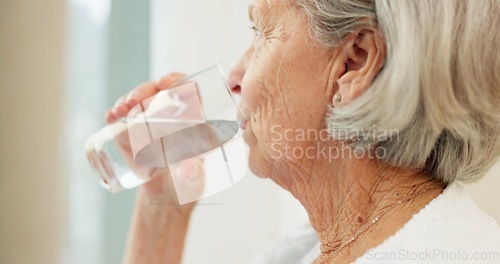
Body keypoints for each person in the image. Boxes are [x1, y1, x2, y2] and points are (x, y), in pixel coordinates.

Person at [105, 0, 500, 263]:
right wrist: (163, 204)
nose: (236, 77)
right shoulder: (308, 249)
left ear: (353, 64)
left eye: (261, 33)